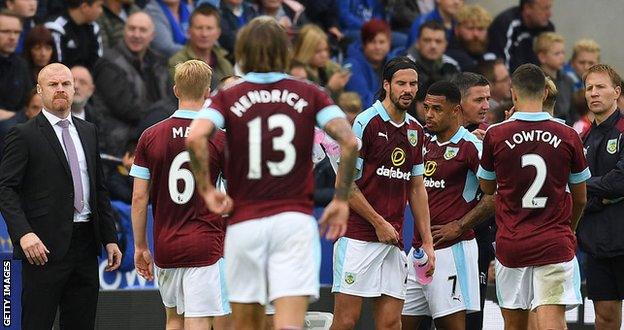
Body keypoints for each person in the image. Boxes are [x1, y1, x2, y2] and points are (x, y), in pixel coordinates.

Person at [185, 16, 359, 330]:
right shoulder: (310, 92)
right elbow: (349, 141)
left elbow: (195, 136)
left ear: (242, 53)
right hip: (294, 222)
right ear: (285, 52)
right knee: (289, 324)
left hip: (245, 223)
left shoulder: (228, 95)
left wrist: (207, 189)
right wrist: (341, 199)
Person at [0, 62, 121, 330]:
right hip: (43, 248)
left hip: (86, 245)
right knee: (37, 323)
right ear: (39, 90)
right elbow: (6, 189)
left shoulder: (88, 131)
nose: (60, 89)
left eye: (66, 84)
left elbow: (99, 188)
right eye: (53, 85)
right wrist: (23, 234)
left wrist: (110, 238)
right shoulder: (22, 134)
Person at [477, 63, 590, 330]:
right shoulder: (569, 135)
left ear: (514, 94)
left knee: (514, 326)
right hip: (554, 242)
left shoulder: (496, 134)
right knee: (552, 325)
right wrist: (568, 229)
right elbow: (581, 197)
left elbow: (486, 188)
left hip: (512, 244)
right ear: (544, 94)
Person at [330, 56, 434, 330]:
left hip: (393, 239)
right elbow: (345, 183)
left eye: (413, 84)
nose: (408, 89)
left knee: (390, 324)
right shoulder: (367, 122)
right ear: (387, 85)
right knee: (346, 322)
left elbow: (416, 187)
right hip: (358, 237)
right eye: (401, 83)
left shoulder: (415, 130)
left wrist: (428, 241)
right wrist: (378, 222)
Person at [131, 59, 230, 330]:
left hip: (166, 244)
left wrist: (141, 247)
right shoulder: (219, 139)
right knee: (198, 320)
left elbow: (139, 198)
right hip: (204, 243)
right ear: (208, 92)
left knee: (173, 319)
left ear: (176, 90)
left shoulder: (150, 136)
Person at [402, 80, 487, 330]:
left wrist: (460, 225)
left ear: (456, 111)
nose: (429, 115)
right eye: (427, 107)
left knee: (451, 325)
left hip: (452, 249)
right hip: (419, 249)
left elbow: (498, 194)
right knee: (396, 323)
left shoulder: (471, 146)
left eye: (437, 109)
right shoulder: (423, 144)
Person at [576, 64, 624, 330]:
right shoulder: (582, 139)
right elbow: (573, 191)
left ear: (616, 92)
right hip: (597, 242)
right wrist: (600, 194)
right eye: (589, 88)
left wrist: (587, 186)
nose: (594, 93)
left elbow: (620, 181)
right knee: (604, 317)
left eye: (601, 87)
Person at [93, 11, 170, 157]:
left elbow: (170, 98)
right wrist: (160, 116)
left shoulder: (159, 61)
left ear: (152, 35)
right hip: (120, 144)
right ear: (124, 31)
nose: (136, 34)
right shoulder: (108, 63)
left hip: (155, 134)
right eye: (132, 28)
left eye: (142, 30)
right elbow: (126, 109)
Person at [168, 5, 233, 90]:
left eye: (209, 28)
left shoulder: (225, 63)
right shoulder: (178, 62)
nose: (204, 34)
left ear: (218, 33)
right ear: (189, 31)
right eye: (199, 28)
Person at [487, 0, 554, 72]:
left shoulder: (547, 28)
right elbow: (501, 64)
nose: (549, 14)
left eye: (549, 8)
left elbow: (552, 63)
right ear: (527, 8)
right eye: (544, 8)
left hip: (535, 80)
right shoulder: (505, 24)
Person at [405, 21, 459, 105]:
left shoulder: (452, 65)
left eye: (438, 41)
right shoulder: (405, 66)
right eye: (427, 40)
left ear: (445, 45)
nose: (433, 46)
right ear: (418, 43)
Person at [292, 24, 350, 99]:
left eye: (326, 49)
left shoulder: (328, 69)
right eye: (318, 51)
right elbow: (307, 104)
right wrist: (331, 88)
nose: (324, 55)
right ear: (305, 51)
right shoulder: (298, 74)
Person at [344, 18, 391, 108]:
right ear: (364, 44)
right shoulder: (351, 66)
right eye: (372, 42)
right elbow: (364, 102)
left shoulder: (393, 64)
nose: (377, 47)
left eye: (382, 42)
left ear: (389, 44)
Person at [44, 0, 105, 69]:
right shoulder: (55, 27)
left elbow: (98, 62)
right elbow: (57, 66)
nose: (101, 11)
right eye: (99, 6)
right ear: (84, 7)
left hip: (89, 78)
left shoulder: (93, 28)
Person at [534, 32, 575, 124]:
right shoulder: (536, 81)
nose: (562, 57)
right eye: (557, 54)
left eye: (563, 53)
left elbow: (573, 111)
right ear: (542, 57)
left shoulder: (567, 80)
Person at [0, 10, 31, 117]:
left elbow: (28, 103)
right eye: (5, 31)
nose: (13, 37)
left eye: (17, 32)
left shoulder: (22, 65)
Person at [445, 4, 492, 72]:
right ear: (456, 30)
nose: (476, 34)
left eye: (480, 29)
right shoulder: (449, 60)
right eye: (470, 28)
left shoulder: (491, 55)